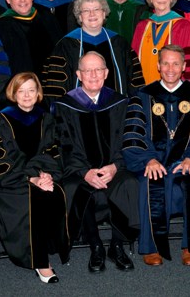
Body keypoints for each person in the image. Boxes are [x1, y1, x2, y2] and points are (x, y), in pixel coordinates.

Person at [123, 44, 190, 266]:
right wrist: (148, 159)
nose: (170, 68)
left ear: (184, 66)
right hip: (153, 163)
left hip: (184, 162)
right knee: (150, 182)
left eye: (176, 63)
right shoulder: (141, 96)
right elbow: (134, 134)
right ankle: (151, 246)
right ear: (159, 66)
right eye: (166, 63)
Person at [54, 51, 140, 273]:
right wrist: (85, 172)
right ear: (78, 74)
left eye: (98, 69)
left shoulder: (121, 102)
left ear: (106, 73)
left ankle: (116, 246)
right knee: (73, 188)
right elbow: (63, 145)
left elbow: (130, 140)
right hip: (80, 170)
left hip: (114, 166)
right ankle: (96, 247)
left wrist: (115, 166)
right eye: (87, 70)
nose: (93, 75)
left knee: (129, 183)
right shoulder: (64, 106)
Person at [0, 72, 69, 284]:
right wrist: (32, 178)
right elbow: (4, 159)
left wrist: (46, 174)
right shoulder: (1, 120)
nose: (26, 96)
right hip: (11, 182)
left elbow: (52, 151)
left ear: (38, 93)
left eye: (31, 90)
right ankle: (41, 262)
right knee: (34, 199)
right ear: (13, 94)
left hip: (41, 176)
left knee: (55, 192)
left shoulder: (46, 118)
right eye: (21, 91)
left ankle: (48, 247)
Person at [43, 0, 144, 100]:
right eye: (86, 11)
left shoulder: (120, 44)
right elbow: (56, 88)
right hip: (76, 114)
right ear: (80, 17)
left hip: (117, 113)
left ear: (104, 13)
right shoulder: (66, 45)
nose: (92, 14)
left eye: (96, 9)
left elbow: (135, 83)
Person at [131, 0, 190, 89]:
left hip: (174, 94)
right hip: (143, 92)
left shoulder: (184, 26)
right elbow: (133, 65)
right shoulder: (142, 27)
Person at [0, 0, 63, 78]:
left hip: (50, 86)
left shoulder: (47, 18)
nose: (22, 0)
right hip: (19, 88)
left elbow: (61, 53)